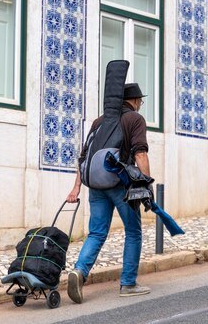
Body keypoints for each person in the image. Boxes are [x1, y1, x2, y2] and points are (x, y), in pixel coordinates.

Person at [65, 82, 151, 303]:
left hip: (96, 186)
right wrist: (146, 185)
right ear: (134, 101)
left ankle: (79, 271)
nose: (140, 103)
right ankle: (129, 283)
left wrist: (76, 187)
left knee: (96, 233)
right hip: (122, 186)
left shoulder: (99, 121)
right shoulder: (135, 119)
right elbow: (140, 154)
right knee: (133, 231)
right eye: (140, 100)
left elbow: (84, 157)